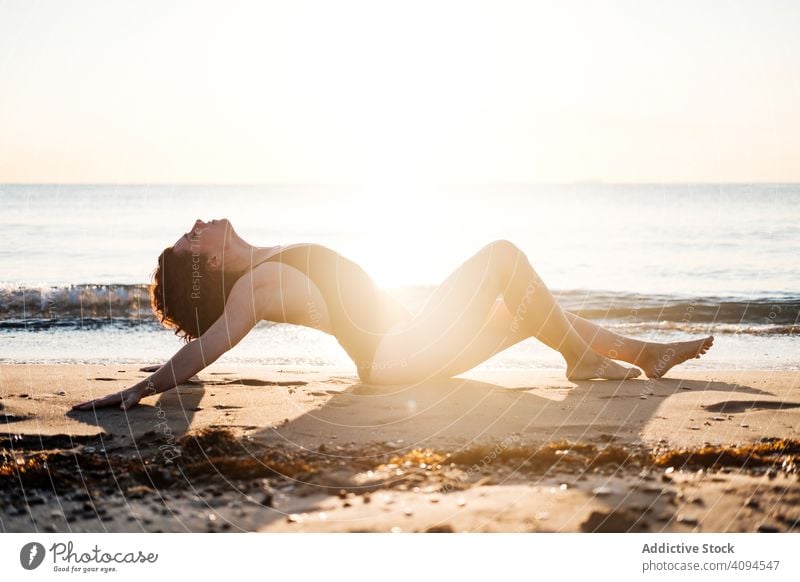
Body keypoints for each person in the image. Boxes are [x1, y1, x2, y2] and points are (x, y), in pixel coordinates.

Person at [73, 218, 713, 411]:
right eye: (190, 242)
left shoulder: (265, 260)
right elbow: (210, 345)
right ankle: (584, 360)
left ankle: (637, 354)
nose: (195, 227)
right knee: (502, 255)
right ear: (207, 268)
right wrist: (145, 387)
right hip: (396, 356)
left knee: (521, 306)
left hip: (407, 344)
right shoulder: (257, 285)